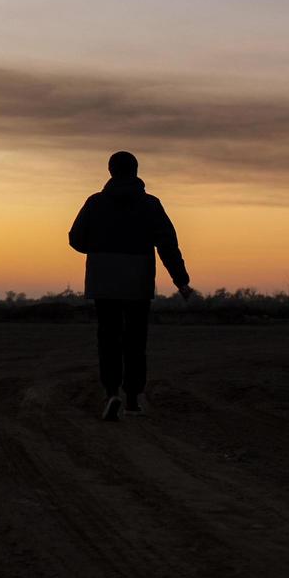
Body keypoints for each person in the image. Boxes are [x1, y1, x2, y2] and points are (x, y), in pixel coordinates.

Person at [68, 151, 191, 421]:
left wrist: (100, 248)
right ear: (136, 171)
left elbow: (76, 239)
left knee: (108, 338)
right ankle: (133, 399)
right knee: (135, 340)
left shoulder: (95, 203)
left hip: (104, 279)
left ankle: (111, 392)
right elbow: (167, 245)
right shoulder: (151, 205)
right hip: (138, 280)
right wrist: (181, 281)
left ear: (110, 171)